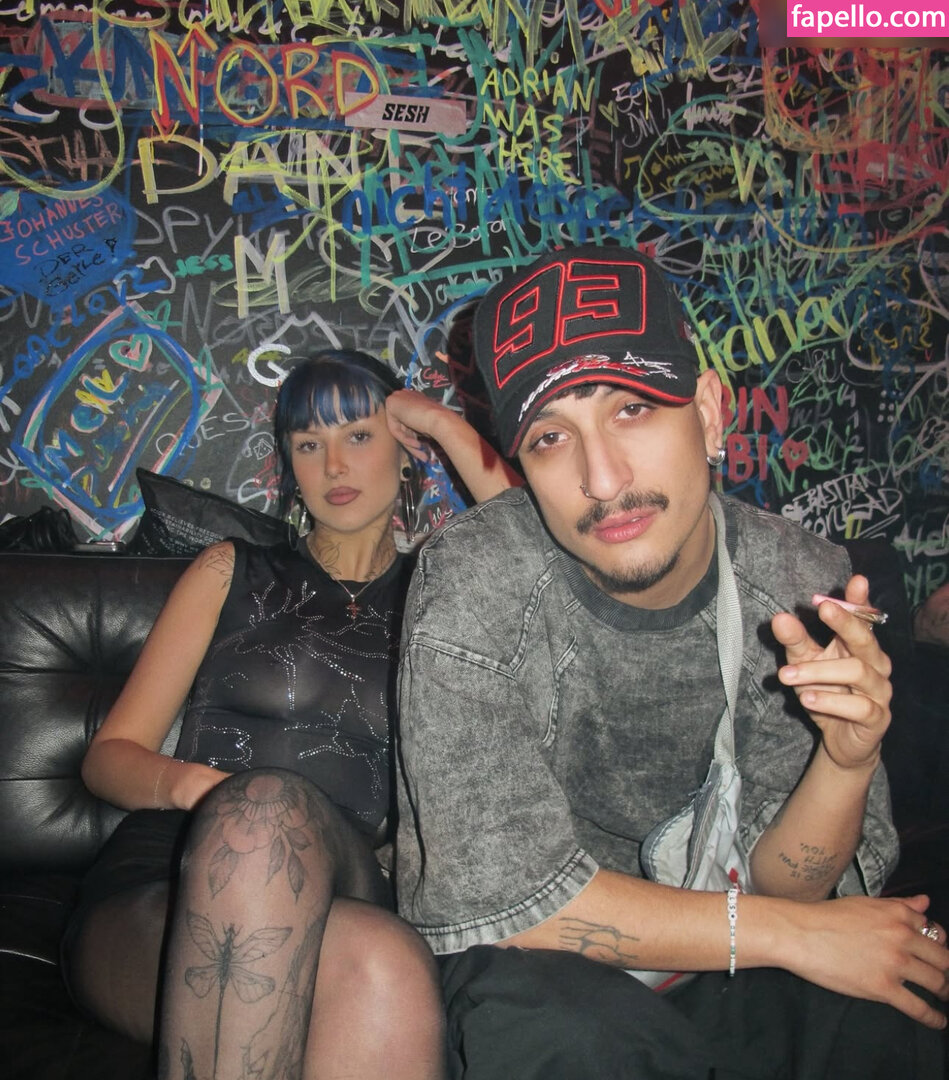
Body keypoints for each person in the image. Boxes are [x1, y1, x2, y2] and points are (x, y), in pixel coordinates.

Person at [395, 246, 949, 1079]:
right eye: (550, 437)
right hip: (550, 969)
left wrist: (845, 761)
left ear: (709, 412)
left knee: (887, 1018)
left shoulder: (799, 584)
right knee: (563, 1037)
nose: (602, 479)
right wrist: (786, 934)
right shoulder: (476, 582)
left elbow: (791, 888)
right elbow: (503, 900)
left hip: (740, 953)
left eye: (632, 409)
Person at [61, 348, 517, 1080]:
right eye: (308, 444)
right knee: (379, 968)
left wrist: (442, 424)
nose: (333, 464)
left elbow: (542, 553)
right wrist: (209, 794)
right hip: (167, 886)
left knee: (291, 840)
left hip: (348, 883)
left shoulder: (443, 594)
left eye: (358, 436)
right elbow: (109, 757)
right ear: (290, 466)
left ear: (404, 450)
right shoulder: (230, 570)